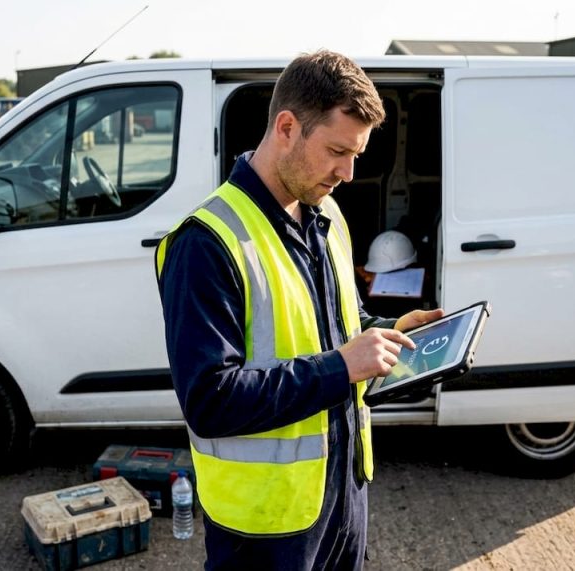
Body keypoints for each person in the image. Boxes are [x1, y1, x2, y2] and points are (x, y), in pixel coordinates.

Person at [156, 50, 443, 570]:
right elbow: (210, 400)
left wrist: (388, 335)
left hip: (340, 497)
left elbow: (336, 332)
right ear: (287, 126)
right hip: (265, 529)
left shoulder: (326, 214)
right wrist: (343, 367)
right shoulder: (207, 243)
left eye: (355, 154)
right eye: (337, 150)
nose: (348, 173)